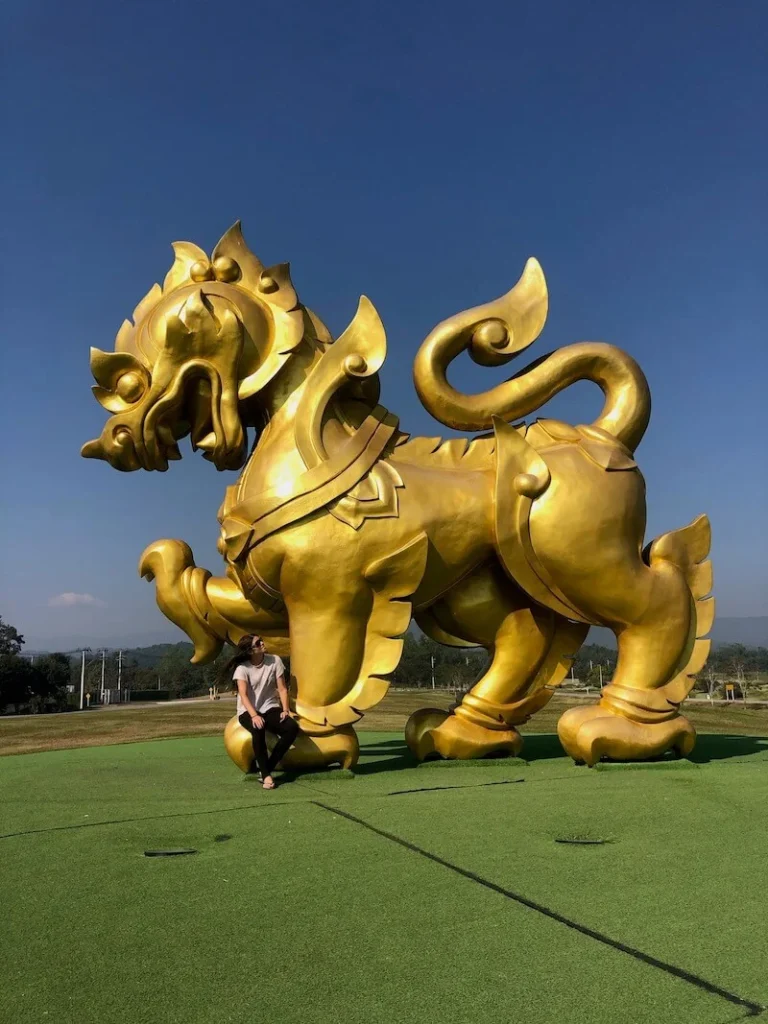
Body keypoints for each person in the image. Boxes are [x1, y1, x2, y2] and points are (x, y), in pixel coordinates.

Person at [222, 634, 299, 790]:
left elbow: (282, 689)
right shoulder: (242, 668)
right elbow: (243, 695)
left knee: (292, 728)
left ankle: (267, 767)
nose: (263, 643)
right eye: (258, 643)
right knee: (258, 728)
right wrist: (254, 715)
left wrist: (285, 709)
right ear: (250, 651)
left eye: (261, 640)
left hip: (270, 707)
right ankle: (266, 776)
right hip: (248, 710)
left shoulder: (275, 661)